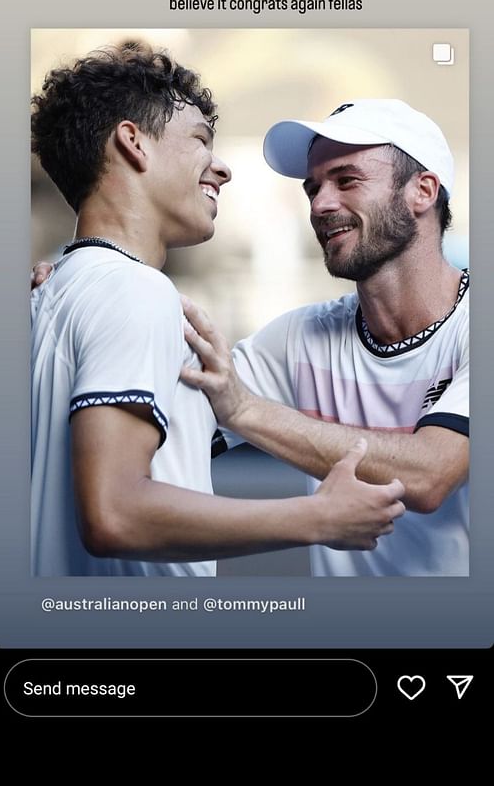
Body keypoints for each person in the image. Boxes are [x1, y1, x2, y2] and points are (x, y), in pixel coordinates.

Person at [31, 47, 405, 576]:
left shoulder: (46, 295)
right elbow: (113, 515)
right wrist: (317, 518)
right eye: (201, 141)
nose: (222, 167)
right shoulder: (133, 290)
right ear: (132, 141)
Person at [181, 99, 469, 576]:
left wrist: (247, 410)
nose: (320, 205)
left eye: (347, 180)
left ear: (422, 191)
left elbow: (429, 476)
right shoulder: (300, 337)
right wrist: (76, 294)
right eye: (313, 187)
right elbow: (163, 411)